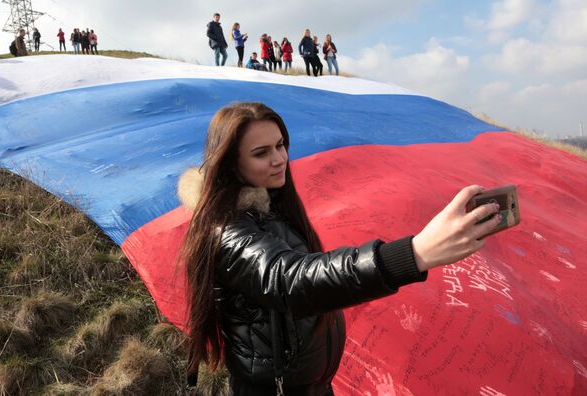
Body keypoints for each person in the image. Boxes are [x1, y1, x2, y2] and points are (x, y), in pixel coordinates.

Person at [178, 102, 502, 394]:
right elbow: (293, 280)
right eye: (261, 153)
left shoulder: (272, 205)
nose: (279, 159)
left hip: (312, 386)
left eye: (280, 146)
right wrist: (414, 253)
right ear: (230, 163)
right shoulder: (226, 231)